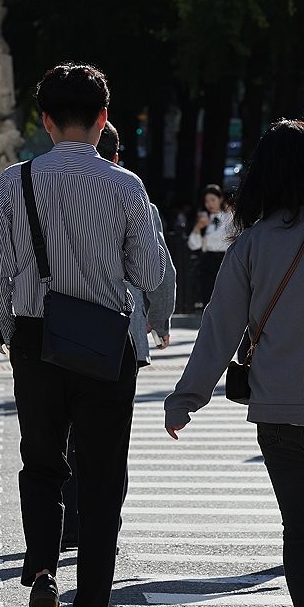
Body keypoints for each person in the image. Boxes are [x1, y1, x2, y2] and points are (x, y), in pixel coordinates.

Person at [0, 63, 166, 607]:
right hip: (106, 343)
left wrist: (10, 330)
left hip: (37, 338)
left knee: (41, 464)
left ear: (45, 120)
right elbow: (150, 271)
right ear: (104, 117)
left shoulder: (16, 182)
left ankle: (40, 572)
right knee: (103, 479)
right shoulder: (125, 186)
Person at [166, 119, 304, 607]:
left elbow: (220, 327)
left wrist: (187, 397)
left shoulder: (250, 244)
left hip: (277, 411)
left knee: (301, 532)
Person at [59, 120, 176, 550]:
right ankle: (103, 520)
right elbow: (159, 267)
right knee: (110, 436)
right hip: (120, 330)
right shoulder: (131, 191)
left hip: (60, 328)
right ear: (117, 154)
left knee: (67, 430)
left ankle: (69, 521)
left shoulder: (48, 186)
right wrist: (160, 318)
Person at [186, 183, 232, 307]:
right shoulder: (203, 219)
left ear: (220, 199)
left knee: (227, 296)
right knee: (208, 297)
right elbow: (193, 244)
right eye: (207, 201)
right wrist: (198, 227)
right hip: (208, 260)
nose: (210, 204)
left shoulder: (230, 217)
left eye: (213, 200)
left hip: (227, 259)